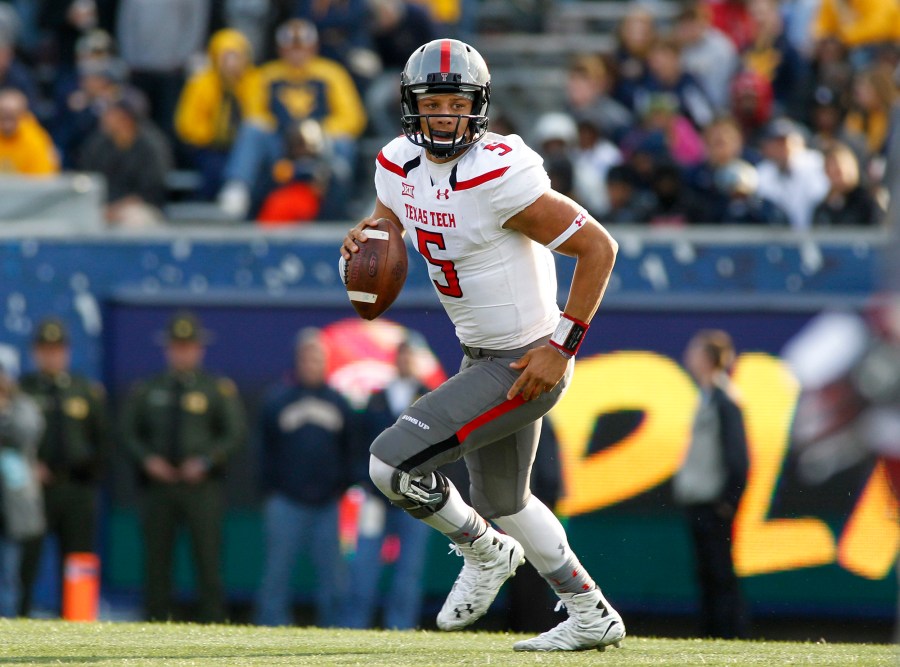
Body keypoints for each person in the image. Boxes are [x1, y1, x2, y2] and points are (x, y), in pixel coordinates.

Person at [340, 38, 624, 652]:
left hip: (525, 361)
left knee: (389, 464)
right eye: (432, 102)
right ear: (410, 106)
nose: (444, 115)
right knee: (507, 499)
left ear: (480, 106)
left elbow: (598, 248)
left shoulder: (498, 174)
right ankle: (591, 611)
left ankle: (482, 549)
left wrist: (562, 345)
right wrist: (366, 239)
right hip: (481, 353)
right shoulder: (397, 164)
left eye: (456, 102)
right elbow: (389, 219)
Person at [121, 312, 246, 623]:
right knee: (156, 562)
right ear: (167, 349)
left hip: (201, 486)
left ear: (199, 349)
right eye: (177, 346)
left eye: (188, 346)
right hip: (158, 486)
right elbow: (127, 432)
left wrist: (205, 461)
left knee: (207, 560)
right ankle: (154, 625)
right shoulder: (147, 389)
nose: (183, 352)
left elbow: (234, 433)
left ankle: (213, 626)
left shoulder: (215, 388)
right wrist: (148, 459)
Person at [254, 328, 359, 627]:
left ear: (326, 362)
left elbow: (351, 449)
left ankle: (335, 634)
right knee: (276, 574)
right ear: (297, 360)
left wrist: (342, 485)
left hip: (328, 504)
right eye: (307, 357)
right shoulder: (277, 400)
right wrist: (271, 489)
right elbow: (263, 448)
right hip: (286, 502)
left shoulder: (340, 403)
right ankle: (270, 631)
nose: (311, 364)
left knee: (333, 579)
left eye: (317, 358)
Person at [18, 318, 111, 617]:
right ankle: (17, 620)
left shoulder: (85, 391)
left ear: (67, 352)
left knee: (78, 560)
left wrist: (89, 475)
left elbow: (104, 439)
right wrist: (28, 468)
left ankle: (78, 621)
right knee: (25, 561)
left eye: (57, 349)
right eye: (45, 350)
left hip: (76, 487)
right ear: (35, 352)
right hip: (33, 490)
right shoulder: (22, 391)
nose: (51, 356)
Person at [342, 339, 432, 630]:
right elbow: (360, 443)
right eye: (402, 356)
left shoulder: (430, 398)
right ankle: (356, 626)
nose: (406, 362)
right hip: (377, 497)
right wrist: (364, 482)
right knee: (364, 565)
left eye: (411, 356)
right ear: (395, 359)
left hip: (416, 497)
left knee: (409, 570)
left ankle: (401, 628)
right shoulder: (377, 398)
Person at [672, 329, 750, 639]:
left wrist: (729, 500)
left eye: (695, 352)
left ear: (707, 358)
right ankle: (713, 633)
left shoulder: (724, 399)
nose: (689, 357)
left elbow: (737, 456)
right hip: (699, 502)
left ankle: (730, 633)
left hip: (714, 504)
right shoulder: (706, 397)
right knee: (707, 573)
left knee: (720, 573)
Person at [174, 28, 267, 200]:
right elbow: (187, 123)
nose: (231, 63)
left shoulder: (255, 81)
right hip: (209, 145)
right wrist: (214, 135)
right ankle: (201, 204)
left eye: (236, 56)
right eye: (226, 57)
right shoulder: (201, 83)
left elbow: (258, 115)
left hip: (242, 145)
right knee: (215, 167)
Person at [78, 93, 172, 227]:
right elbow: (87, 179)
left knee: (133, 220)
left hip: (142, 207)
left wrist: (115, 209)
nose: (104, 117)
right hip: (102, 206)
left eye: (111, 113)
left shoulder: (151, 145)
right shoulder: (98, 144)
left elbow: (151, 191)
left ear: (126, 117)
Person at [0, 361, 44, 618]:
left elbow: (26, 432)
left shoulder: (23, 405)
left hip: (13, 506)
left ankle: (7, 622)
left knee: (10, 572)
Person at [0, 88, 59, 176]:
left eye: (12, 114)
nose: (7, 120)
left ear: (23, 114)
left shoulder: (36, 139)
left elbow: (42, 177)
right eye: (2, 113)